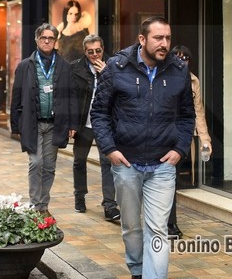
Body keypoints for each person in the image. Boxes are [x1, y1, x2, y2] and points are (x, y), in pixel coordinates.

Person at [91, 16, 195, 279]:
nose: (164, 44)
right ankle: (137, 271)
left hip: (162, 166)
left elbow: (186, 115)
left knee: (158, 229)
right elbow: (99, 112)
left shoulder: (178, 70)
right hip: (126, 163)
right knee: (131, 228)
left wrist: (180, 148)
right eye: (158, 38)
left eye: (168, 38)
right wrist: (109, 149)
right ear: (142, 39)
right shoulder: (116, 67)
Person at [10, 23, 79, 217]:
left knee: (49, 166)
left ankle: (43, 205)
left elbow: (71, 95)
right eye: (43, 38)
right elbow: (17, 95)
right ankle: (34, 204)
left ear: (55, 41)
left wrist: (73, 123)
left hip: (55, 124)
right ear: (37, 40)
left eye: (50, 38)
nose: (47, 41)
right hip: (33, 123)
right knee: (35, 163)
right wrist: (15, 123)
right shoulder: (25, 65)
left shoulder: (64, 66)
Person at [71, 34, 120, 221]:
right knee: (79, 160)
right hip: (84, 123)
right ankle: (79, 196)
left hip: (105, 124)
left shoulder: (114, 65)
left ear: (103, 48)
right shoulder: (76, 67)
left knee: (107, 163)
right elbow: (72, 98)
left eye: (98, 51)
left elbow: (120, 92)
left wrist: (107, 73)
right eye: (90, 52)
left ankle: (109, 205)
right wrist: (72, 124)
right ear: (85, 51)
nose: (95, 55)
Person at [168, 45, 212, 238]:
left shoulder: (193, 81)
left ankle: (171, 223)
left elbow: (198, 111)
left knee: (172, 181)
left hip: (182, 136)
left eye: (185, 58)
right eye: (177, 57)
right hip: (162, 135)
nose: (181, 61)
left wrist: (205, 139)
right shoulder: (162, 77)